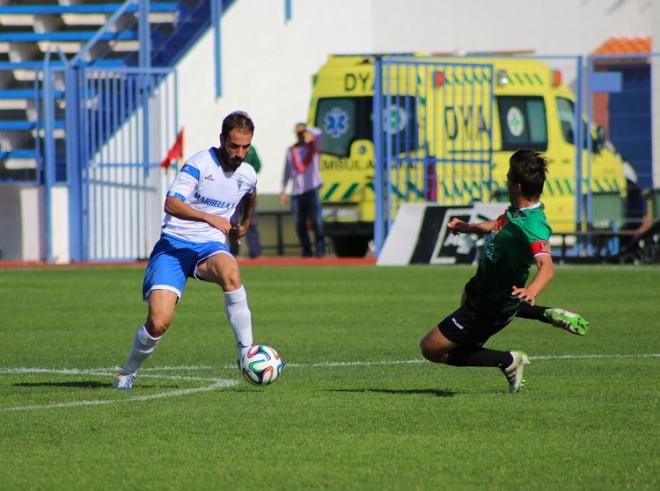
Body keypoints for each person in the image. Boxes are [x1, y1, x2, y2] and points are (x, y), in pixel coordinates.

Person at [419, 149, 588, 394]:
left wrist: (532, 290)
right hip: (482, 289)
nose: (506, 180)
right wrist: (470, 228)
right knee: (466, 323)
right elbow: (499, 224)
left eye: (508, 176)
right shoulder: (517, 211)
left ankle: (508, 361)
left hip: (491, 305)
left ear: (517, 185)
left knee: (431, 348)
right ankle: (546, 315)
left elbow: (546, 267)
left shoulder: (533, 224)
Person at [114, 111, 258, 390]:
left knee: (231, 272)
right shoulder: (200, 164)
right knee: (158, 322)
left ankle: (246, 353)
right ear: (221, 140)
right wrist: (210, 218)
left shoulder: (247, 174)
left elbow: (250, 193)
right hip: (174, 247)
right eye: (234, 146)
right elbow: (171, 203)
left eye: (245, 147)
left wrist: (245, 224)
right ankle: (128, 371)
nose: (240, 153)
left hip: (210, 247)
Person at [279, 122, 326, 257]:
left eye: (302, 133)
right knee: (299, 225)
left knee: (317, 222)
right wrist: (283, 190)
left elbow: (320, 134)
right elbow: (287, 172)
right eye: (298, 133)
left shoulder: (313, 147)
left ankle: (320, 251)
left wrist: (307, 128)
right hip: (296, 192)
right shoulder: (291, 150)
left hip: (312, 190)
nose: (300, 136)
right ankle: (307, 252)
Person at [229, 145, 263, 258]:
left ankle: (255, 253)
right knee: (233, 222)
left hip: (247, 189)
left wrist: (247, 172)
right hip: (233, 190)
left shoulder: (252, 150)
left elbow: (258, 165)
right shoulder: (231, 148)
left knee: (251, 222)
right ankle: (234, 252)